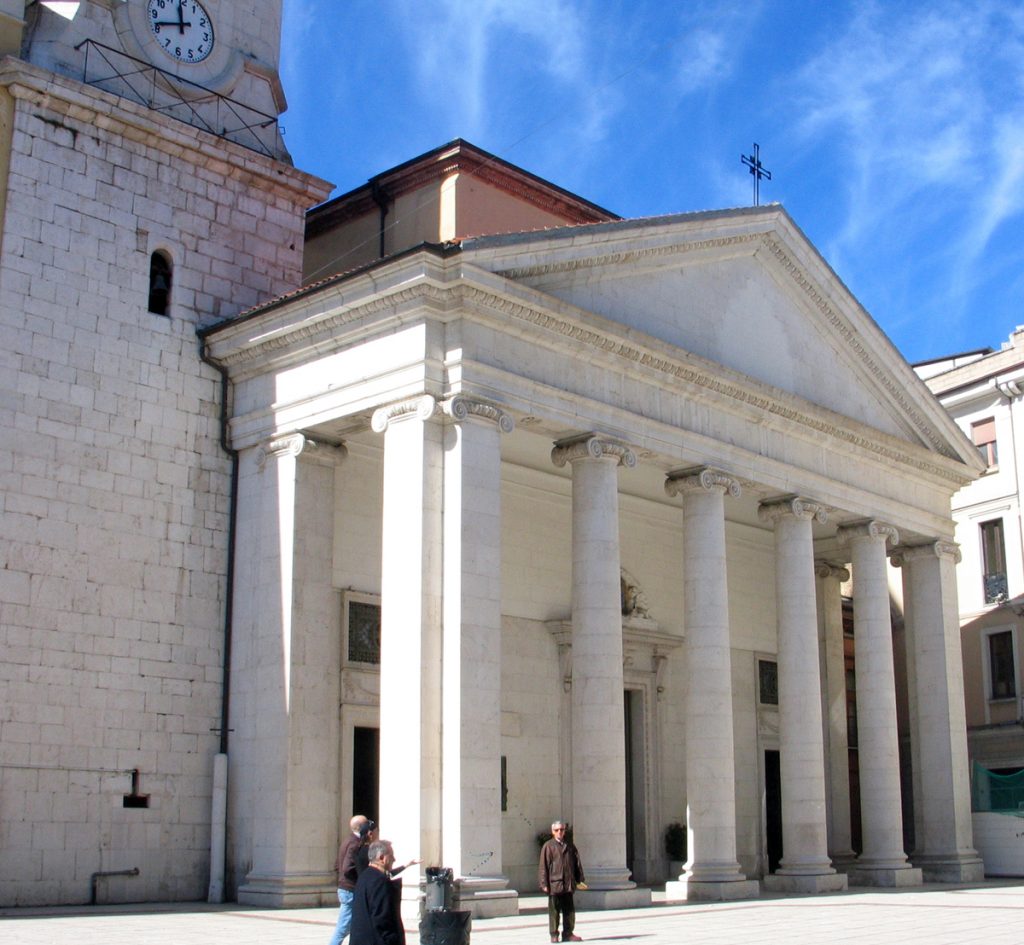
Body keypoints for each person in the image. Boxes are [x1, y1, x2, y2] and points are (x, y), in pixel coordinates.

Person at [350, 838, 406, 945]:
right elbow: (383, 919)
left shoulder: (364, 877)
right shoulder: (380, 881)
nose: (394, 859)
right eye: (391, 856)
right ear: (381, 858)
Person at [539, 820, 586, 943]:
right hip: (555, 884)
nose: (559, 832)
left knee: (569, 912)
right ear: (552, 832)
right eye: (557, 830)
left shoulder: (570, 846)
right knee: (554, 912)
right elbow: (543, 866)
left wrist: (579, 879)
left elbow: (577, 863)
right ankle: (554, 934)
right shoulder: (548, 846)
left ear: (564, 831)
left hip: (568, 883)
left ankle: (568, 933)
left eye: (562, 829)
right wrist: (544, 884)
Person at [329, 814, 371, 945]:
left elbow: (338, 865)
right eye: (367, 823)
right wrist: (359, 879)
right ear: (361, 827)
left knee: (353, 926)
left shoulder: (348, 840)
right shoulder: (354, 843)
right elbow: (346, 868)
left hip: (346, 888)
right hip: (349, 889)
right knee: (343, 927)